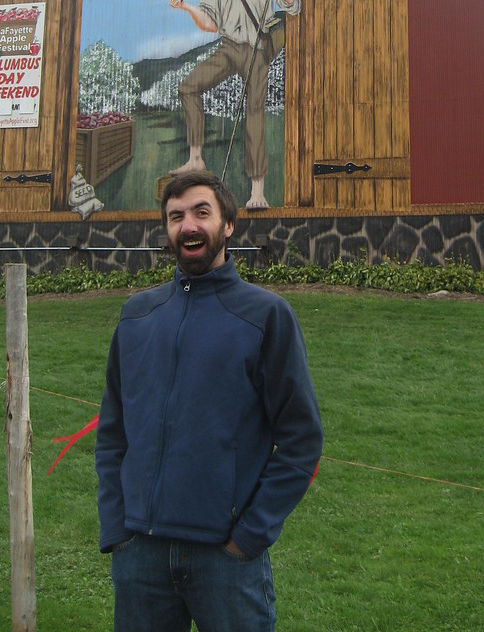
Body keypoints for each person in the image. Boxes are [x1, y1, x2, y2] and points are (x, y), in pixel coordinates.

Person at [95, 171, 323, 632]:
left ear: (229, 225)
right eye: (176, 216)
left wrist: (249, 536)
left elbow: (301, 440)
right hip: (140, 559)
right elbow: (112, 433)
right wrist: (117, 529)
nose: (189, 226)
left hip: (226, 562)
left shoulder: (266, 316)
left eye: (202, 212)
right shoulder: (137, 316)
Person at [169, 0, 300, 209]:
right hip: (229, 47)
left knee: (254, 113)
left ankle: (257, 192)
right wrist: (186, 8)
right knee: (188, 87)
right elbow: (210, 25)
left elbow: (291, 7)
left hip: (257, 49)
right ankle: (196, 159)